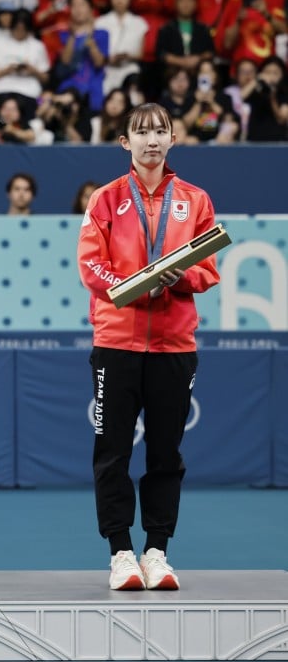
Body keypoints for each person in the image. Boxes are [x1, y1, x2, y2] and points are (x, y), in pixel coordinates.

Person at [77, 102, 220, 591]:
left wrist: (179, 280)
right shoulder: (105, 199)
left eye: (161, 131)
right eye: (142, 132)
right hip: (116, 342)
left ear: (173, 139)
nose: (152, 140)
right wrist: (135, 285)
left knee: (166, 453)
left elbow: (209, 267)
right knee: (111, 450)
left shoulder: (196, 200)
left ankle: (157, 550)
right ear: (125, 143)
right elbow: (90, 267)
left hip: (174, 346)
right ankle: (120, 553)